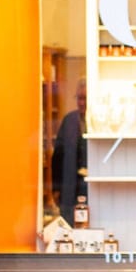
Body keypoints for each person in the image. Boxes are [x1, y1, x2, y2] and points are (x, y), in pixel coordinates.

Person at [50, 84, 87, 226]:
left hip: (90, 188)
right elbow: (57, 157)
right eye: (79, 98)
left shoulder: (100, 123)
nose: (81, 102)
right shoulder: (69, 121)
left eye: (85, 98)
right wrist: (56, 188)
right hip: (69, 187)